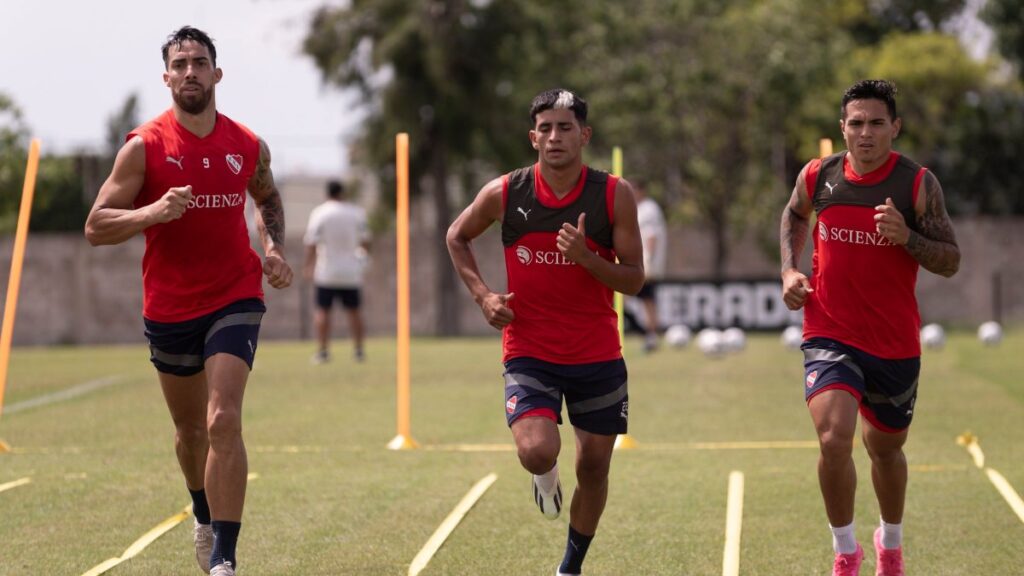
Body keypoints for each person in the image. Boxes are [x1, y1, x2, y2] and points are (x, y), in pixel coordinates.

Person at [84, 26, 293, 576]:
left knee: (223, 418)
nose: (191, 72)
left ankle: (224, 555)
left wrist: (272, 247)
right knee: (190, 432)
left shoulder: (246, 144)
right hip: (170, 305)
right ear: (167, 77)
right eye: (181, 64)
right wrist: (151, 213)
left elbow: (267, 196)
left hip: (235, 295)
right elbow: (96, 225)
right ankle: (202, 513)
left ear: (217, 74)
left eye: (200, 62)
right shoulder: (144, 147)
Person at [447, 89, 644, 576]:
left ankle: (569, 568)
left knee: (594, 469)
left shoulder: (613, 195)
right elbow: (457, 236)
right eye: (546, 128)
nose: (555, 137)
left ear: (585, 135)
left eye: (566, 127)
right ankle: (546, 474)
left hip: (596, 353)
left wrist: (587, 258)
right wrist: (484, 296)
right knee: (537, 452)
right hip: (529, 349)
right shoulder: (506, 192)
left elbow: (635, 280)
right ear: (533, 137)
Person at [780, 80, 960, 576]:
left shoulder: (916, 184)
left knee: (886, 449)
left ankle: (891, 544)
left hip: (894, 342)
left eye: (876, 123)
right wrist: (789, 270)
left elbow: (950, 260)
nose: (865, 133)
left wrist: (907, 238)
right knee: (834, 438)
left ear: (894, 128)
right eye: (855, 123)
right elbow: (794, 214)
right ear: (843, 128)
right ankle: (845, 551)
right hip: (828, 332)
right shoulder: (819, 175)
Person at [303, 179, 370, 363]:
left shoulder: (320, 213)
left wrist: (308, 266)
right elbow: (365, 241)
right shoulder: (356, 212)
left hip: (327, 271)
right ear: (342, 193)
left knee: (323, 311)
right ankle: (359, 351)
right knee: (354, 311)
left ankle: (323, 351)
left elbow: (311, 242)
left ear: (327, 193)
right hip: (351, 271)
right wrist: (363, 257)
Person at [632, 179, 667, 352]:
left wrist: (648, 261)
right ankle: (649, 335)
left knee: (648, 301)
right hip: (642, 263)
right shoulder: (641, 209)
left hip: (645, 265)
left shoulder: (648, 210)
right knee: (646, 301)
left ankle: (651, 337)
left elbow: (651, 236)